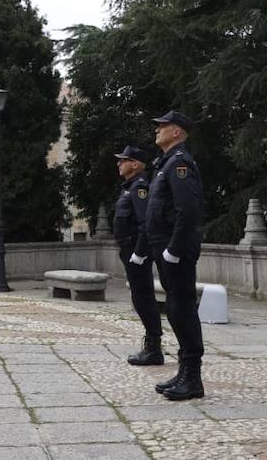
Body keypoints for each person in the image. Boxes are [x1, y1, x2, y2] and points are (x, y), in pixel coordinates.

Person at [131, 110, 205, 400]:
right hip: (164, 248)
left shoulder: (179, 164)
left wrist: (174, 249)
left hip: (177, 251)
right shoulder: (166, 163)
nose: (156, 130)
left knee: (183, 309)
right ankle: (185, 371)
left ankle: (193, 377)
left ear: (176, 132)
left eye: (162, 127)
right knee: (175, 309)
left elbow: (188, 211)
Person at [113, 144, 163, 366]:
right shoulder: (130, 187)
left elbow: (145, 224)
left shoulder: (139, 187)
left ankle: (153, 348)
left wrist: (140, 253)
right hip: (129, 249)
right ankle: (152, 345)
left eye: (123, 160)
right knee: (139, 296)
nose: (119, 164)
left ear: (134, 164)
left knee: (143, 297)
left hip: (135, 249)